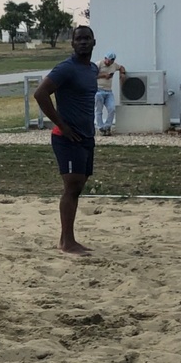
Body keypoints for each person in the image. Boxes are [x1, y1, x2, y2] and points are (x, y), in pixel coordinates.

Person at [33, 24, 98, 256]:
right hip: (66, 138)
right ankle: (68, 243)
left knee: (78, 187)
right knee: (71, 187)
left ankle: (65, 239)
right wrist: (62, 125)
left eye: (86, 38)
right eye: (78, 39)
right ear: (72, 43)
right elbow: (40, 93)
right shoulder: (66, 69)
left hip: (86, 137)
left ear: (93, 42)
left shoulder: (92, 69)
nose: (82, 42)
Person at [94, 51, 126, 137]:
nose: (108, 62)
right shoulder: (98, 64)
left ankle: (107, 126)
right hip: (98, 90)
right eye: (107, 60)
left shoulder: (114, 65)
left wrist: (122, 73)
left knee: (111, 108)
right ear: (105, 58)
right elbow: (92, 75)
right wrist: (104, 75)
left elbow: (121, 67)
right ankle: (100, 127)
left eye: (111, 61)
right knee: (98, 110)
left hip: (108, 91)